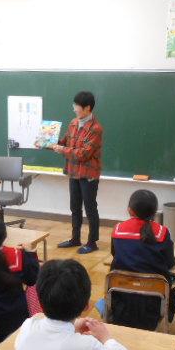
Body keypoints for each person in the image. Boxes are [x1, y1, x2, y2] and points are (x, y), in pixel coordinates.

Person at [110, 189, 175, 330]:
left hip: (121, 300)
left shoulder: (118, 230)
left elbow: (115, 254)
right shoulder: (162, 232)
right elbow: (170, 262)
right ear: (155, 211)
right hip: (154, 303)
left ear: (130, 210)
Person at [49, 91, 103, 254]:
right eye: (74, 105)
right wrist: (47, 141)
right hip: (73, 172)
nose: (74, 109)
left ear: (87, 108)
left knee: (90, 208)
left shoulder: (96, 129)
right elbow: (65, 142)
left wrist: (62, 149)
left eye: (77, 106)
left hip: (88, 174)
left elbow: (83, 154)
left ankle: (92, 242)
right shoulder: (73, 123)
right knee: (75, 207)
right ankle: (75, 238)